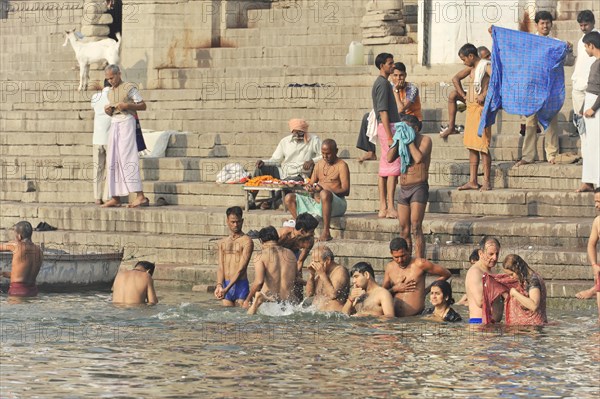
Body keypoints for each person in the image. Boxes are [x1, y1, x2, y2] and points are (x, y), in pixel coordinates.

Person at [515, 11, 572, 166]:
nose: (545, 26)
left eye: (547, 23)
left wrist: (569, 50)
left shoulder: (556, 43)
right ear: (537, 25)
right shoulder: (530, 42)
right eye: (542, 23)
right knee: (531, 122)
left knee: (552, 121)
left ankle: (552, 154)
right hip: (533, 89)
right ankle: (527, 156)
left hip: (550, 89)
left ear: (551, 24)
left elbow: (569, 63)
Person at [102, 64, 149, 208]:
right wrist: (108, 111)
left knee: (127, 158)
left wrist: (127, 106)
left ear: (119, 74)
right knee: (112, 159)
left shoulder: (129, 87)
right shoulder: (109, 92)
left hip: (127, 122)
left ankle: (140, 196)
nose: (110, 81)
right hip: (115, 123)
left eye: (112, 77)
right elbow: (112, 112)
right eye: (108, 79)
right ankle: (115, 197)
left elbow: (143, 105)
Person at [284, 139, 350, 241]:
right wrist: (310, 188)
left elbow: (346, 190)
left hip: (337, 204)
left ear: (336, 151)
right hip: (317, 203)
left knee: (324, 194)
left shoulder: (342, 165)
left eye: (328, 154)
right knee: (289, 198)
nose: (325, 156)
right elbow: (311, 184)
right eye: (323, 154)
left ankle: (326, 232)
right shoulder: (319, 164)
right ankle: (304, 230)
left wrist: (325, 190)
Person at [250, 118, 322, 209]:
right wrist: (264, 162)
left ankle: (271, 201)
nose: (298, 134)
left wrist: (312, 161)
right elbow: (276, 159)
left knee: (290, 181)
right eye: (296, 132)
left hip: (300, 174)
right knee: (260, 168)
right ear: (292, 131)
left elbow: (323, 155)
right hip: (283, 172)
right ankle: (251, 198)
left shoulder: (314, 140)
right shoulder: (285, 141)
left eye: (300, 132)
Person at [387, 114, 431, 258]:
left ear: (416, 128)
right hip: (404, 188)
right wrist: (398, 140)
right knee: (404, 229)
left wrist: (409, 140)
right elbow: (389, 158)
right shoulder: (401, 141)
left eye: (407, 128)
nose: (403, 131)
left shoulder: (425, 140)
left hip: (419, 187)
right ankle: (407, 259)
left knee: (416, 226)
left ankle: (419, 260)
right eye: (402, 128)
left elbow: (418, 158)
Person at [455, 43, 493, 191]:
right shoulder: (471, 68)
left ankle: (487, 181)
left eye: (464, 59)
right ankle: (473, 180)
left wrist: (484, 94)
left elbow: (496, 78)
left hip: (481, 110)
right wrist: (464, 96)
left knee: (483, 147)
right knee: (472, 147)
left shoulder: (485, 66)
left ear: (471, 56)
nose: (464, 62)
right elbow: (455, 78)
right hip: (471, 110)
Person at [382, 237, 451, 317]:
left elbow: (446, 274)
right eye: (396, 257)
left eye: (403, 255)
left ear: (408, 251)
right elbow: (382, 292)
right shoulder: (389, 267)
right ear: (391, 254)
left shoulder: (420, 263)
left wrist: (427, 290)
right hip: (395, 318)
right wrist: (395, 289)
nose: (400, 260)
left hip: (416, 317)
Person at [372, 53, 401, 219]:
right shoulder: (382, 84)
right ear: (382, 65)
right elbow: (383, 111)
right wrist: (390, 137)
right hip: (387, 128)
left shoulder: (383, 83)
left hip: (386, 127)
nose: (392, 65)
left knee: (385, 169)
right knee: (392, 169)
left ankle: (383, 207)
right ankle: (389, 206)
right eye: (390, 63)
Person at [244, 226, 298, 314]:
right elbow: (296, 278)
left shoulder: (260, 256)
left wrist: (248, 299)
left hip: (271, 303)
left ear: (261, 241)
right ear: (277, 239)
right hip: (289, 304)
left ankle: (259, 298)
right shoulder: (290, 254)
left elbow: (258, 281)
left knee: (249, 315)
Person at [214, 206, 254, 307]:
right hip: (225, 284)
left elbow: (241, 269)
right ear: (227, 221)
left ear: (242, 221)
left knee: (239, 319)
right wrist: (219, 285)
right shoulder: (222, 242)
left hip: (240, 285)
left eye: (238, 221)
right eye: (232, 222)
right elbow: (220, 267)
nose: (236, 225)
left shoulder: (247, 241)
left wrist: (226, 289)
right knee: (227, 320)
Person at [572, 10, 597, 147]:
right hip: (578, 87)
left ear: (593, 23)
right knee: (581, 123)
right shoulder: (581, 40)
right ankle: (585, 153)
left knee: (593, 123)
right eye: (581, 25)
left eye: (585, 25)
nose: (583, 28)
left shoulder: (598, 38)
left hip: (592, 89)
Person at [579, 31, 600, 192]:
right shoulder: (595, 62)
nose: (586, 49)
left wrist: (593, 108)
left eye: (586, 46)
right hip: (589, 102)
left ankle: (597, 180)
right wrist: (583, 108)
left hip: (596, 108)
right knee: (589, 143)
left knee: (596, 144)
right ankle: (589, 180)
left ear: (591, 46)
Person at [501, 254, 547, 325]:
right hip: (526, 327)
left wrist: (514, 293)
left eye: (511, 274)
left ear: (517, 269)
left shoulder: (533, 280)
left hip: (533, 328)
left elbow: (534, 305)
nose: (511, 277)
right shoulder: (524, 279)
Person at [465, 236, 503, 324]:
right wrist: (502, 289)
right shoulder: (475, 272)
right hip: (479, 324)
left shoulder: (491, 270)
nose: (495, 258)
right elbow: (481, 301)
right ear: (481, 254)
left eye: (497, 254)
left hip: (492, 324)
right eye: (491, 254)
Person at [575, 188, 600, 323]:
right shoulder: (597, 221)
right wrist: (594, 265)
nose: (597, 205)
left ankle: (592, 291)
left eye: (599, 201)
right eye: (595, 201)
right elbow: (591, 244)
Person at [0, 221, 43, 297]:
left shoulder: (16, 246)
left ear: (19, 236)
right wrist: (3, 274)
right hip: (33, 291)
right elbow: (24, 275)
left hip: (17, 291)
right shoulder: (39, 251)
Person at [305, 245, 350, 312]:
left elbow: (333, 295)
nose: (314, 265)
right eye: (312, 261)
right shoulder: (321, 272)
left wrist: (322, 275)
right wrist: (311, 275)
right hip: (318, 315)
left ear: (328, 260)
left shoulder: (340, 271)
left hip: (333, 317)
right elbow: (309, 294)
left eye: (316, 262)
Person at [91, 79, 112, 205]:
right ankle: (107, 196)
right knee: (110, 168)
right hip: (109, 138)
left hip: (97, 137)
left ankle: (97, 197)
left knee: (97, 169)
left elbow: (94, 106)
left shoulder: (95, 96)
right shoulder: (114, 96)